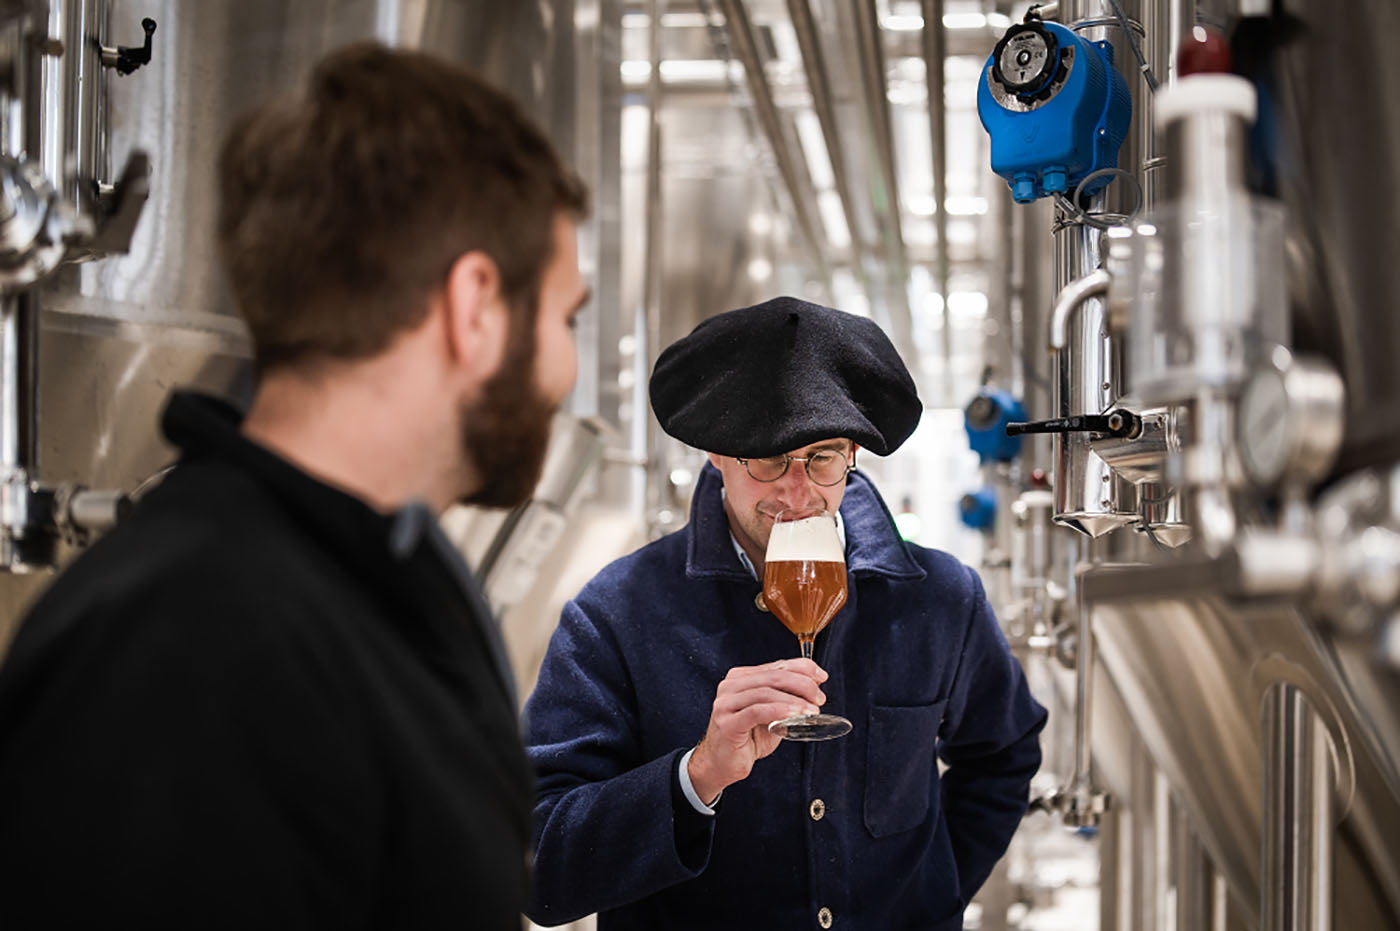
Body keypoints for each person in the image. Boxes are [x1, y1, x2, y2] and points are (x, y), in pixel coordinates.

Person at [0, 43, 589, 929]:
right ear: (474, 305)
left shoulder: (391, 575)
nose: (566, 369)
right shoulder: (186, 645)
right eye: (565, 316)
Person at [525, 297, 1047, 931]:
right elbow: (536, 865)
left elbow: (1003, 755)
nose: (798, 495)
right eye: (768, 457)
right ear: (715, 454)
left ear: (853, 453)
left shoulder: (940, 598)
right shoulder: (616, 611)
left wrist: (932, 894)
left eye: (823, 457)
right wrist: (697, 776)